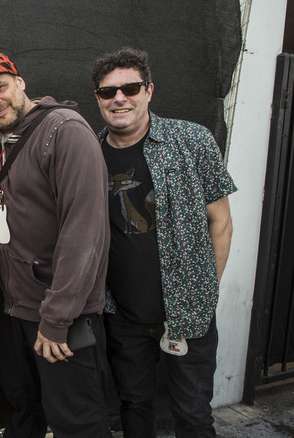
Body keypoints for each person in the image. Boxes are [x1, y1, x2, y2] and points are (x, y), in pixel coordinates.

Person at [0, 51, 111, 437]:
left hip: (61, 316)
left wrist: (56, 321)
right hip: (15, 310)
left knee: (77, 423)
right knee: (24, 413)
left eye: (0, 88)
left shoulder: (64, 130)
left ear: (20, 82)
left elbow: (84, 234)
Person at [90, 47, 236, 438]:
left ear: (149, 90)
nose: (119, 98)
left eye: (130, 88)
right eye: (108, 92)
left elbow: (220, 223)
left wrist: (205, 291)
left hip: (188, 310)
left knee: (192, 414)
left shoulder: (192, 140)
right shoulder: (88, 152)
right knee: (134, 407)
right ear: (98, 99)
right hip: (122, 314)